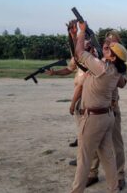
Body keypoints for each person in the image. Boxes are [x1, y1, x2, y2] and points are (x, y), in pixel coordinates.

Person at [71, 21, 127, 193]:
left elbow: (79, 53)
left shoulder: (102, 67)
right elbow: (82, 59)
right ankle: (114, 188)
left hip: (94, 118)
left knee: (84, 159)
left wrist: (81, 32)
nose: (106, 45)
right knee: (107, 157)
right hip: (107, 116)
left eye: (110, 47)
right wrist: (76, 37)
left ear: (112, 56)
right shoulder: (113, 69)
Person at [45, 20, 95, 166]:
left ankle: (85, 161)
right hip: (79, 95)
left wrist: (78, 34)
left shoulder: (92, 55)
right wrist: (54, 73)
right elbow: (69, 69)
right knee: (82, 130)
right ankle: (84, 158)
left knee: (86, 132)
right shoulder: (78, 55)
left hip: (87, 95)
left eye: (82, 39)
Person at [87, 30, 127, 190]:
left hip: (112, 105)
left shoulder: (119, 61)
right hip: (97, 105)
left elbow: (123, 82)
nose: (108, 43)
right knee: (95, 142)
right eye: (107, 40)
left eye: (113, 42)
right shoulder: (98, 58)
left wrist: (112, 67)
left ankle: (120, 175)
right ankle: (92, 172)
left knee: (116, 142)